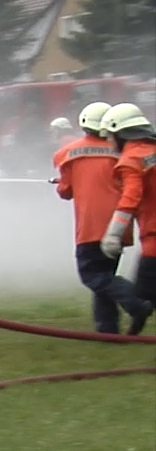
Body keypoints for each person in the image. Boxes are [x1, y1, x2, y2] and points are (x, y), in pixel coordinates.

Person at [52, 101, 151, 335]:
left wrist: (63, 183)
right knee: (105, 277)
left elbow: (66, 192)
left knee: (92, 275)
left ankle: (136, 303)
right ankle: (107, 329)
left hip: (89, 226)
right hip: (119, 224)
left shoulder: (68, 153)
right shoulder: (122, 152)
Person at [100, 103, 156, 315]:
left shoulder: (131, 160)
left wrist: (113, 234)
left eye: (109, 136)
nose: (108, 141)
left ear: (120, 133)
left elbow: (130, 198)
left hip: (154, 237)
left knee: (144, 294)